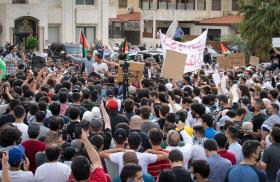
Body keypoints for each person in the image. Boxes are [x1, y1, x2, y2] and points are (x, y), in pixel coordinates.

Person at [100, 132, 168, 174]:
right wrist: (150, 150)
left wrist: (119, 149)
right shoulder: (145, 156)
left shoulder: (120, 155)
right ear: (140, 143)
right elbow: (166, 155)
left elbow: (102, 153)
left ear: (128, 142)